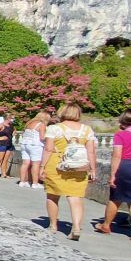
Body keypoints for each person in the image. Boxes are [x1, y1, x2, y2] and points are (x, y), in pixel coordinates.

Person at [42, 103, 97, 241]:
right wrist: (93, 169)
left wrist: (42, 166)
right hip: (79, 167)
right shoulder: (87, 129)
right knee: (76, 197)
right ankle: (76, 227)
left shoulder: (54, 128)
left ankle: (53, 225)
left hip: (57, 164)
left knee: (53, 195)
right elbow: (91, 151)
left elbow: (48, 149)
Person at [95, 109, 131, 240]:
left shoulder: (121, 135)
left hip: (126, 166)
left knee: (116, 197)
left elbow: (116, 155)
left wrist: (113, 174)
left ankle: (106, 225)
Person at [18, 111, 49, 189]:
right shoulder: (41, 124)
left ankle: (22, 181)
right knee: (36, 164)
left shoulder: (29, 123)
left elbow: (23, 134)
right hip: (35, 145)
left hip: (24, 144)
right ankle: (35, 183)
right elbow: (42, 137)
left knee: (25, 163)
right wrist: (49, 137)